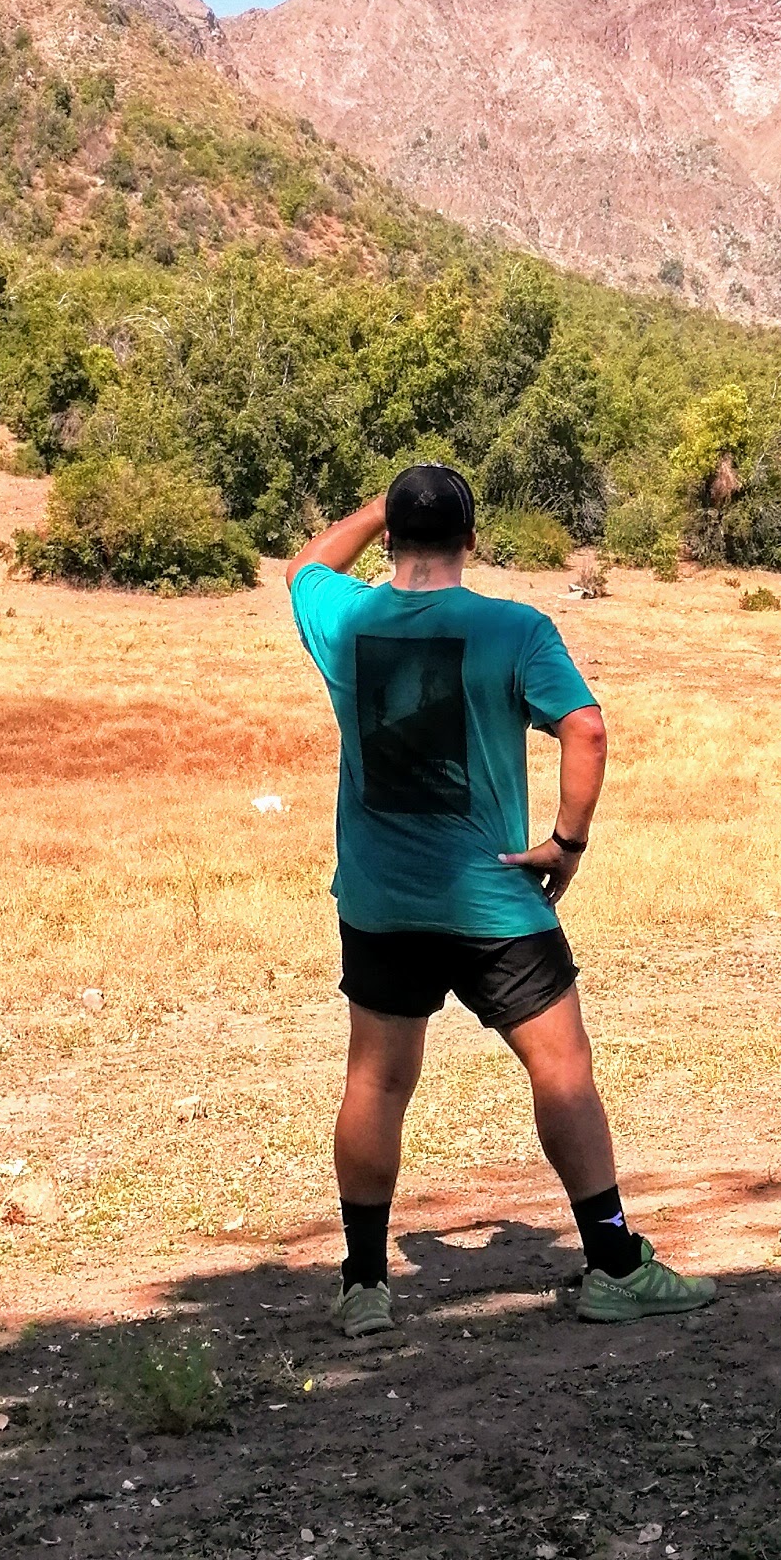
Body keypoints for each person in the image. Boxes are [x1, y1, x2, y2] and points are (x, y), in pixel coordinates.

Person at [285, 462, 715, 1337]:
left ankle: (364, 1286)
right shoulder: (514, 629)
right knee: (562, 1070)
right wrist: (567, 842)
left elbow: (304, 568)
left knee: (376, 1081)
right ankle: (613, 1267)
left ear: (392, 537)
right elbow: (585, 727)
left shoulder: (343, 619)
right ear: (471, 540)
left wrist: (376, 503)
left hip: (380, 903)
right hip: (494, 900)